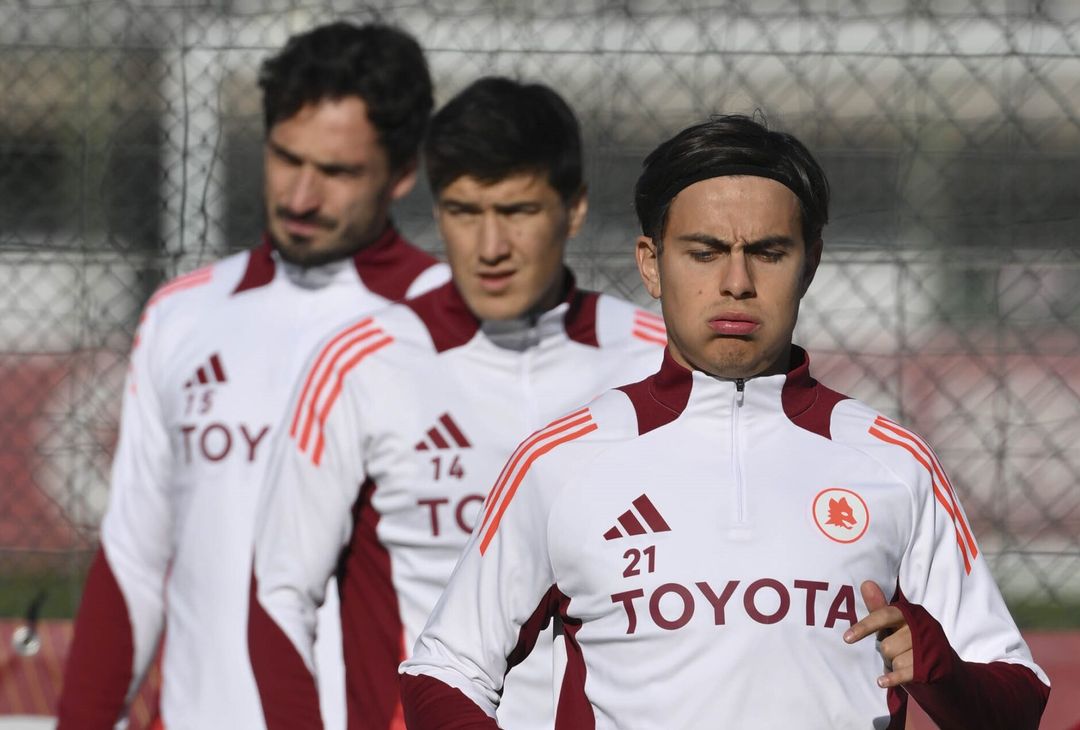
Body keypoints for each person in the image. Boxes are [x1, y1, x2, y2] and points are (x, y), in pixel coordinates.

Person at [399, 114, 1051, 729]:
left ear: (810, 262)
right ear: (652, 264)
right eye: (704, 252)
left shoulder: (892, 460)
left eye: (768, 253)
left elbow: (1015, 701)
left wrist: (942, 672)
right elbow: (447, 666)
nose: (736, 281)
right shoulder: (562, 460)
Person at [58, 22, 446, 730]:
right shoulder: (183, 314)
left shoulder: (451, 326)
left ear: (401, 172)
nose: (300, 196)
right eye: (284, 157)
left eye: (336, 172)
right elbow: (131, 565)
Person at [248, 77, 667, 730]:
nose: (489, 246)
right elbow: (278, 595)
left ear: (574, 209)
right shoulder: (362, 363)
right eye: (464, 212)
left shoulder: (655, 357)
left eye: (518, 211)